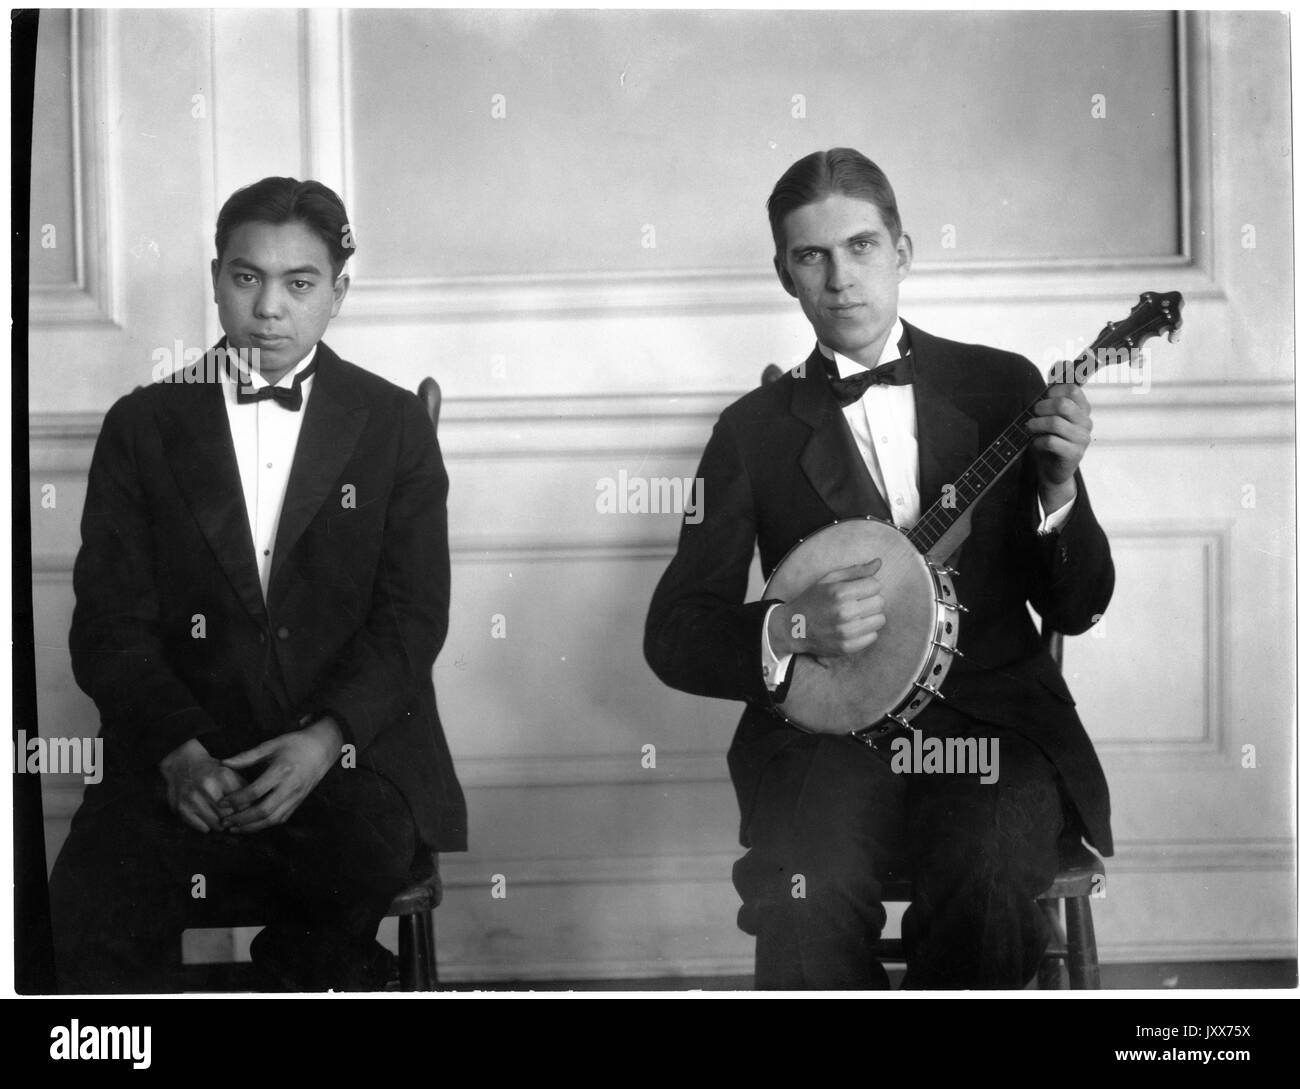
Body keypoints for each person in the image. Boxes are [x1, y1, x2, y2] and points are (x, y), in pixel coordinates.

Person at [644, 148, 1114, 989]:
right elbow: (675, 632)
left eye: (861, 247)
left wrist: (1059, 486)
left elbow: (1078, 606)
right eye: (811, 255)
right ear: (784, 273)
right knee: (807, 890)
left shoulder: (1002, 386)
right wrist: (789, 625)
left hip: (991, 729)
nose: (840, 278)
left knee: (988, 876)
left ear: (903, 251)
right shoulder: (750, 432)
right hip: (828, 738)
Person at [47, 177, 466, 992]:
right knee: (86, 916)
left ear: (338, 292)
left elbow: (413, 618)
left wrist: (325, 738)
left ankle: (303, 974)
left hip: (349, 757)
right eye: (246, 278)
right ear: (215, 280)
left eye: (299, 283)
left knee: (355, 866)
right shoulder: (143, 425)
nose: (268, 308)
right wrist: (179, 750)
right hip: (183, 752)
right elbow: (107, 624)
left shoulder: (392, 427)